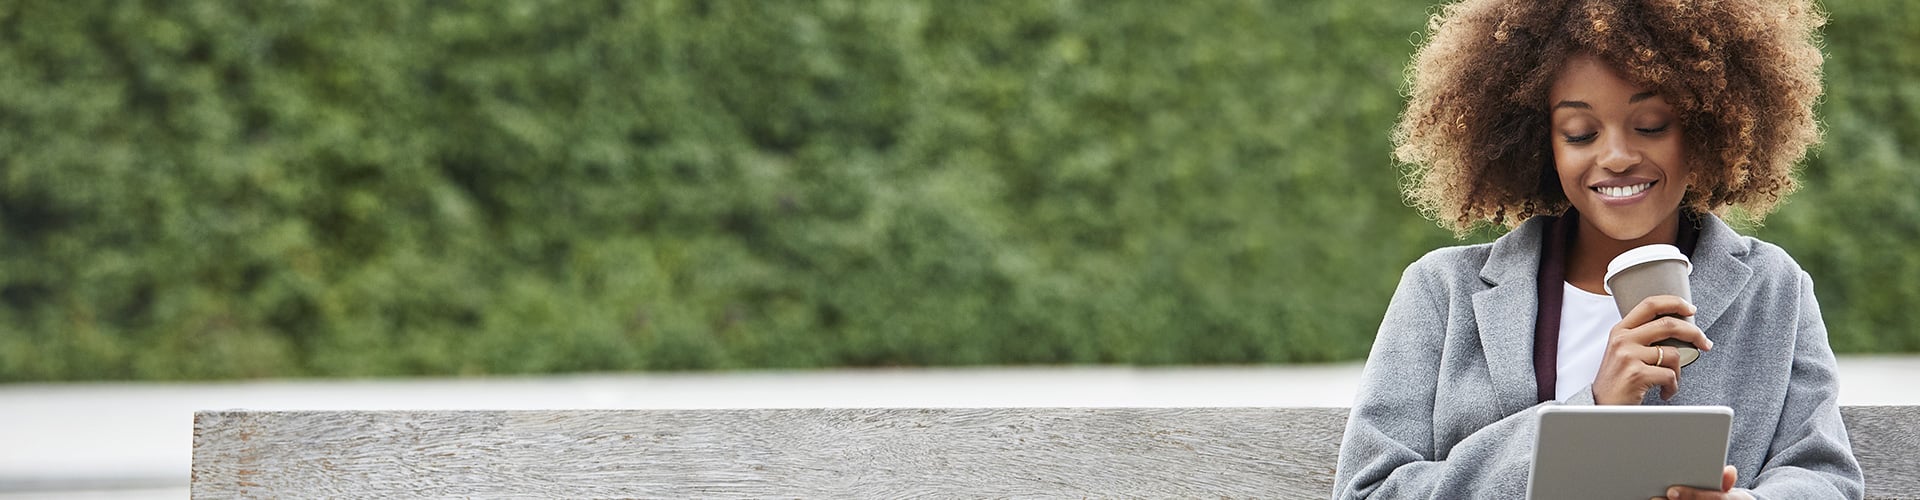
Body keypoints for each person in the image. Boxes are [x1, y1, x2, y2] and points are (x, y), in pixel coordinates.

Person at [1332, 0, 1863, 498]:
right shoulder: (1442, 290)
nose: (1616, 156)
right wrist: (1590, 410)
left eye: (1651, 125)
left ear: (1705, 128)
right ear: (1542, 143)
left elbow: (1824, 476)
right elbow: (1370, 488)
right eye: (1580, 132)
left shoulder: (1775, 287)